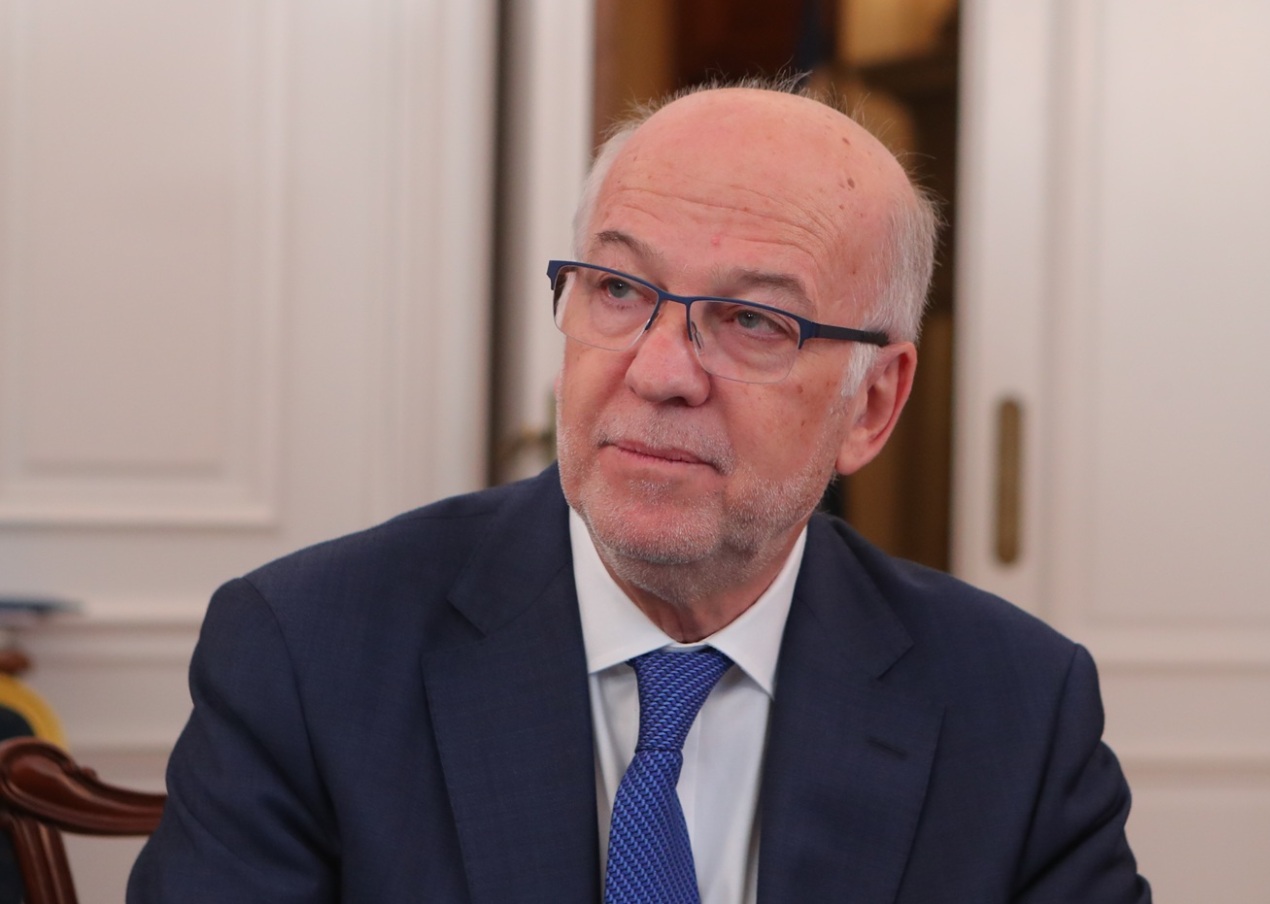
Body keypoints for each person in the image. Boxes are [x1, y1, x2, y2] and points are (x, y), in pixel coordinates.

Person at [129, 81, 1151, 903]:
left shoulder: (1013, 708)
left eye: (753, 321)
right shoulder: (308, 653)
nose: (660, 371)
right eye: (618, 290)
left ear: (871, 404)